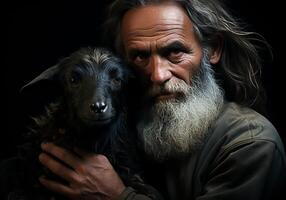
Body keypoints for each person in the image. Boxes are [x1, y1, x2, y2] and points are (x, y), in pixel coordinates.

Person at [32, 0, 286, 199]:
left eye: (174, 52)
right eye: (141, 57)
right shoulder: (125, 118)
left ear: (213, 49)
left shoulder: (249, 144)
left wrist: (118, 196)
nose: (157, 75)